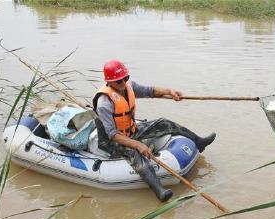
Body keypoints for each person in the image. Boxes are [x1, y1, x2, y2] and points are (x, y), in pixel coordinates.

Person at [92, 60, 216, 202]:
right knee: (135, 153)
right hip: (111, 140)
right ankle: (160, 191)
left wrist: (170, 91)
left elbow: (150, 91)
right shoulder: (104, 103)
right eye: (119, 80)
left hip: (131, 130)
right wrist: (138, 145)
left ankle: (199, 142)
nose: (123, 82)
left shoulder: (128, 86)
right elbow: (112, 134)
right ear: (110, 82)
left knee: (163, 122)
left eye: (126, 78)